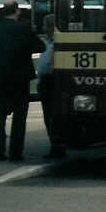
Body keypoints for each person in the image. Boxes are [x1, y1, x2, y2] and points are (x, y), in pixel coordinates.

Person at [0, 1, 44, 161]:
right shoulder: (24, 28)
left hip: (0, 78)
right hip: (20, 79)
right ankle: (16, 153)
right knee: (19, 117)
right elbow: (40, 47)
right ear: (17, 12)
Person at [37, 13, 66, 159]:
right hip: (45, 80)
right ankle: (54, 143)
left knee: (52, 115)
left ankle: (57, 146)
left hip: (54, 80)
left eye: (44, 24)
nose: (42, 27)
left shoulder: (60, 42)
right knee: (48, 115)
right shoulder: (45, 41)